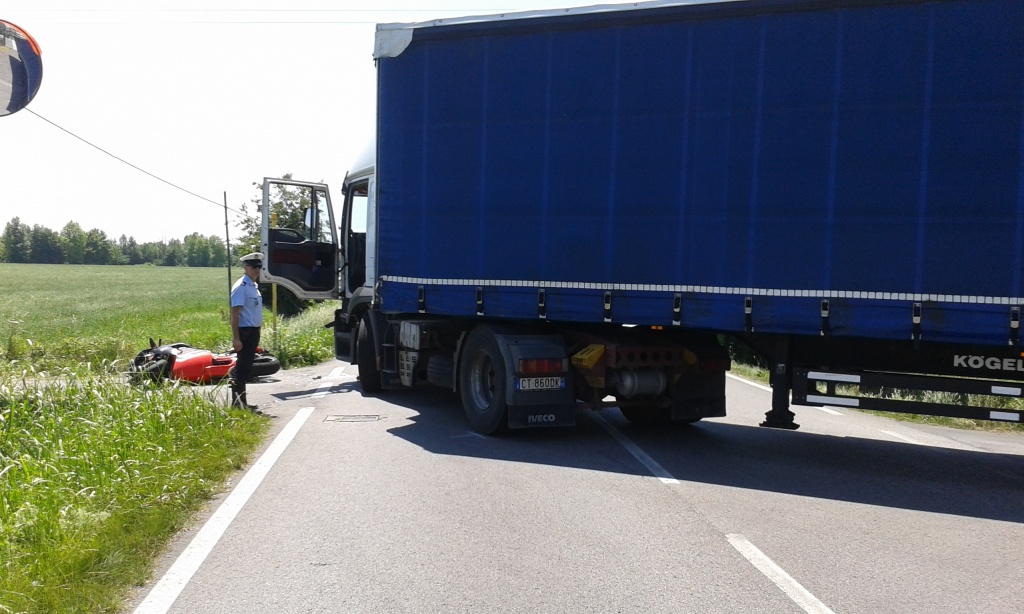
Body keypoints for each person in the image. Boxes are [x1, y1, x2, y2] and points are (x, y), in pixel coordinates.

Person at [229, 252, 265, 412]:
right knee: (242, 367)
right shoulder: (241, 287)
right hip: (245, 332)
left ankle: (241, 402)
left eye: (259, 266)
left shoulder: (253, 285)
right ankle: (238, 404)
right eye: (253, 266)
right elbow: (235, 313)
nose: (257, 270)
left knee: (246, 366)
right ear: (246, 267)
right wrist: (236, 339)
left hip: (253, 331)